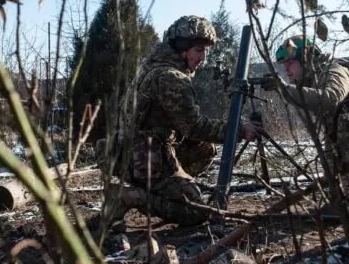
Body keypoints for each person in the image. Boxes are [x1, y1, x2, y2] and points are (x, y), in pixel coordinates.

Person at [96, 15, 265, 237]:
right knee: (196, 212)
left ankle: (170, 188)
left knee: (204, 149)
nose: (203, 57)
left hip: (130, 152)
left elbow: (183, 126)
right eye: (198, 50)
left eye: (206, 51)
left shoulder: (152, 67)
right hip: (146, 159)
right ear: (182, 49)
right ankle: (130, 196)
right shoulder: (171, 78)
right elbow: (193, 126)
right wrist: (240, 129)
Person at [261, 35, 349, 220]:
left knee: (339, 128)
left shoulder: (334, 69)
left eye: (290, 62)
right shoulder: (312, 79)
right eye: (284, 64)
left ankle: (345, 203)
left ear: (306, 59)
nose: (286, 69)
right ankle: (344, 203)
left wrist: (284, 89)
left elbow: (331, 99)